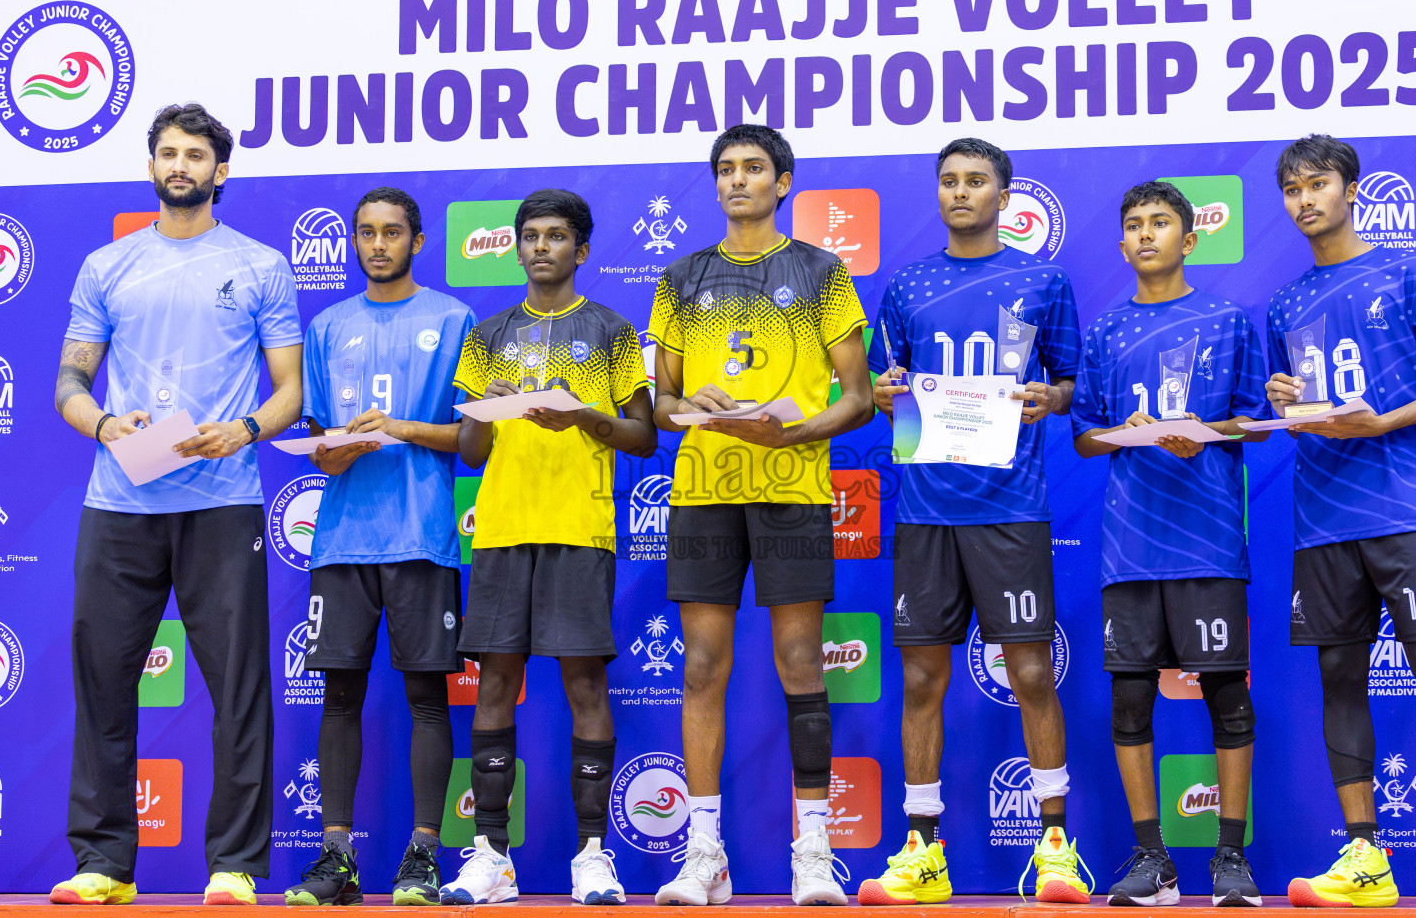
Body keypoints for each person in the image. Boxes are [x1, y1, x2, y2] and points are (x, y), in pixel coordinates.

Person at [49, 103, 302, 906]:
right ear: (151, 165)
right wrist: (103, 423)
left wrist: (246, 429)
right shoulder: (107, 264)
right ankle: (103, 864)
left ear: (221, 171)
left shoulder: (261, 265)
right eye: (168, 152)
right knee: (104, 681)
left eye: (196, 154)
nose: (181, 165)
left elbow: (291, 392)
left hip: (221, 500)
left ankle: (234, 865)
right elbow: (68, 384)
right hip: (119, 501)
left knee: (239, 687)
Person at [1265, 135, 1416, 908]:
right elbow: (1306, 407)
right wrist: (1285, 404)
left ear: (1351, 189)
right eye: (1292, 189)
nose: (1305, 200)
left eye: (1318, 184)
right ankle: (1365, 859)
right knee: (1338, 674)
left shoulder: (1411, 270)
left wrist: (1386, 421)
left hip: (1405, 504)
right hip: (1322, 513)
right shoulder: (1287, 303)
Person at [648, 124, 873, 907]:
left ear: (783, 183)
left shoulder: (820, 270)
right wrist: (687, 406)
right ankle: (704, 854)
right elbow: (661, 400)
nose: (736, 180)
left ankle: (813, 852)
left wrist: (798, 429)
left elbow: (859, 395)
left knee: (801, 663)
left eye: (752, 169)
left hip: (791, 486)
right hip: (705, 488)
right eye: (725, 169)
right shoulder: (682, 277)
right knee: (703, 667)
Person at [861, 137, 1089, 905]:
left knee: (1029, 672)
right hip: (925, 508)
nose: (960, 193)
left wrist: (1049, 400)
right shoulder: (907, 285)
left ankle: (1056, 843)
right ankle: (922, 849)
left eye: (976, 181)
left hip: (1010, 508)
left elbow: (1070, 384)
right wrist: (887, 387)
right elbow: (880, 377)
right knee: (922, 676)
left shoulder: (1042, 279)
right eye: (949, 181)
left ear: (1004, 195)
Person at [442, 189, 656, 907]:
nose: (541, 246)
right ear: (517, 246)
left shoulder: (610, 330)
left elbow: (644, 435)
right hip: (502, 528)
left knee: (584, 688)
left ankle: (593, 857)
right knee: (496, 685)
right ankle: (490, 857)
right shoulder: (488, 334)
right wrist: (484, 408)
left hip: (578, 527)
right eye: (530, 235)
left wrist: (584, 419)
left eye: (556, 236)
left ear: (581, 250)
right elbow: (471, 452)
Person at [1071, 180, 1267, 907]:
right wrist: (1134, 430)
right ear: (1121, 243)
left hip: (1208, 541)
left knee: (1227, 699)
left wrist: (1203, 433)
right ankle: (1151, 859)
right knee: (1129, 702)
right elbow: (1085, 435)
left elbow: (1250, 420)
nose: (1145, 233)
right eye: (1133, 224)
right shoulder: (1105, 331)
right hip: (1130, 545)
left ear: (1189, 239)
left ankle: (1229, 858)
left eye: (1160, 223)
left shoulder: (1226, 320)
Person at [283, 187, 475, 907]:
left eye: (392, 232)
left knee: (427, 697)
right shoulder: (327, 326)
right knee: (340, 696)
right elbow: (316, 438)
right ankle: (337, 860)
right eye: (365, 233)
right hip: (341, 540)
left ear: (418, 241)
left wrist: (401, 428)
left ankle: (422, 856)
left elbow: (475, 438)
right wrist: (331, 453)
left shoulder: (454, 319)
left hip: (423, 537)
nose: (377, 244)